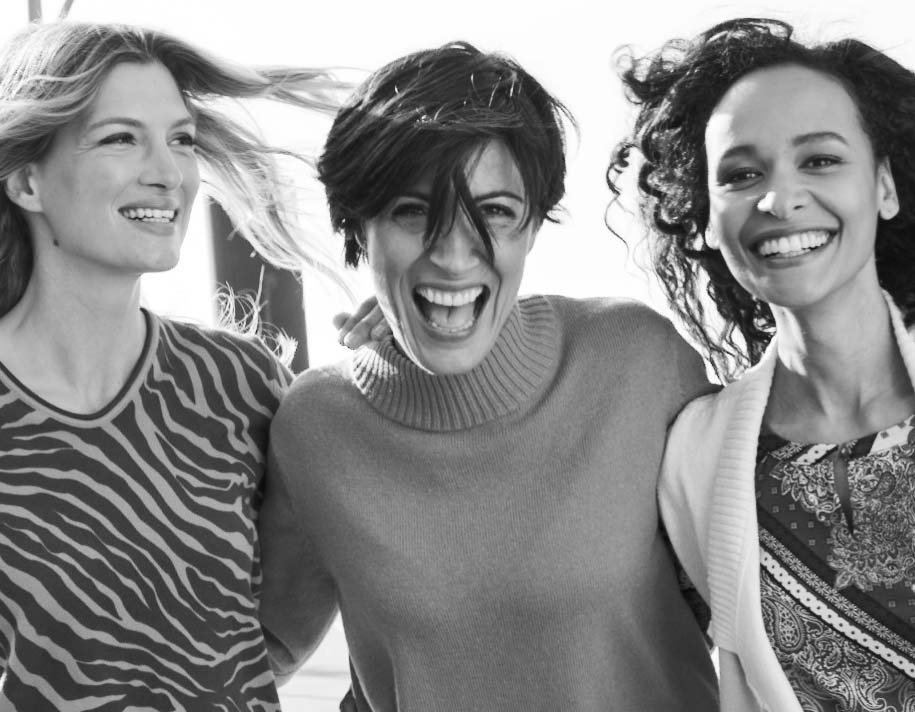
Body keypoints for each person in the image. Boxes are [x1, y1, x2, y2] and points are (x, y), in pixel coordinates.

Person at [259, 41, 719, 711]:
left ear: (533, 225)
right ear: (358, 224)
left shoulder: (639, 361)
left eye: (495, 212)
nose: (452, 254)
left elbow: (768, 590)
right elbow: (258, 650)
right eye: (412, 211)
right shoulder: (315, 425)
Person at [0, 20, 346, 709]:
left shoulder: (241, 385)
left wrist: (398, 365)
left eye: (181, 140)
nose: (168, 174)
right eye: (120, 138)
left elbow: (277, 633)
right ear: (26, 181)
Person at [610, 17, 915, 712]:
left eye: (820, 160)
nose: (779, 200)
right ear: (704, 219)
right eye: (742, 175)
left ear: (884, 187)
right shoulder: (692, 458)